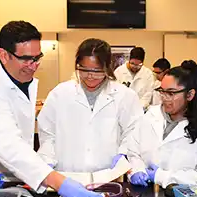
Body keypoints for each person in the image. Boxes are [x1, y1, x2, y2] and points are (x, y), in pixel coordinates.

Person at [0, 21, 103, 197]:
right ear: (4, 55)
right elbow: (6, 143)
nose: (34, 65)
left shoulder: (23, 79)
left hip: (20, 178)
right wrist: (59, 182)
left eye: (38, 57)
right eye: (27, 59)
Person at [37, 38, 143, 175]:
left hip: (108, 175)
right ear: (77, 65)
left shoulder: (125, 96)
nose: (90, 76)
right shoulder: (60, 93)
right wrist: (47, 159)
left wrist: (123, 154)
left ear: (107, 68)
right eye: (84, 70)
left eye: (97, 71)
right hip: (66, 175)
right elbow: (47, 133)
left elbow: (134, 131)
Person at [127, 60, 197, 189]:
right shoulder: (151, 115)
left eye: (171, 93)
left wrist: (162, 176)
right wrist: (137, 170)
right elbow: (133, 150)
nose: (165, 98)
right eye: (162, 91)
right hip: (146, 192)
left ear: (190, 95)